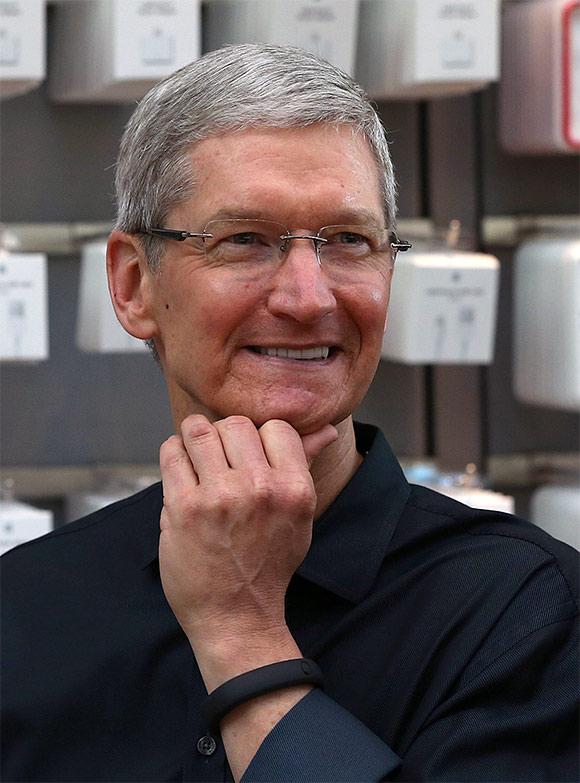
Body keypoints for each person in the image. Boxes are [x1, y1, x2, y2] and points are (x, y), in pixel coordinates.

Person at [1, 44, 578, 783]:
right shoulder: (26, 610)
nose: (308, 297)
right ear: (134, 284)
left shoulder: (526, 614)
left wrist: (242, 640)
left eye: (347, 241)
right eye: (244, 240)